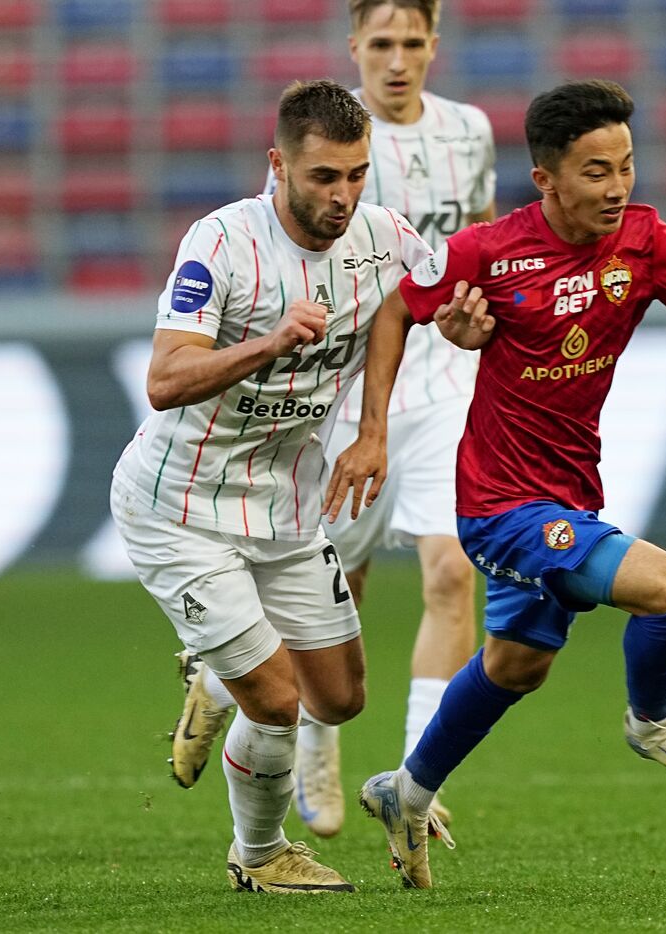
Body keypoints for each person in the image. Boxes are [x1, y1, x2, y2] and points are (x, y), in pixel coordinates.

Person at [323, 79, 666, 889]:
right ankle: (654, 724)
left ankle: (406, 790)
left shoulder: (646, 241)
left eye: (627, 166)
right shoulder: (487, 251)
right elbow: (398, 309)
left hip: (569, 493)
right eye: (596, 171)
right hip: (501, 505)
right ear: (547, 179)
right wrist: (372, 433)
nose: (617, 188)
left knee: (515, 667)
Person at [173, 0, 496, 841]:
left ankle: (417, 779)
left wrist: (475, 319)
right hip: (339, 391)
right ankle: (260, 707)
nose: (397, 60)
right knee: (333, 597)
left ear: (434, 46)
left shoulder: (470, 131)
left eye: (412, 43)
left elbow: (477, 251)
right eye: (380, 44)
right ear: (355, 46)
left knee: (452, 572)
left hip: (441, 386)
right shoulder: (326, 140)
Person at [112, 79, 430, 892]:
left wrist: (374, 427)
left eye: (357, 174)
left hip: (288, 504)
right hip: (181, 507)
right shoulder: (220, 244)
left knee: (342, 698)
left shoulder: (383, 235)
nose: (343, 196)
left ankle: (212, 675)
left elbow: (407, 303)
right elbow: (165, 378)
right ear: (277, 165)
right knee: (279, 702)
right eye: (324, 176)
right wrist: (269, 342)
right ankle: (259, 854)